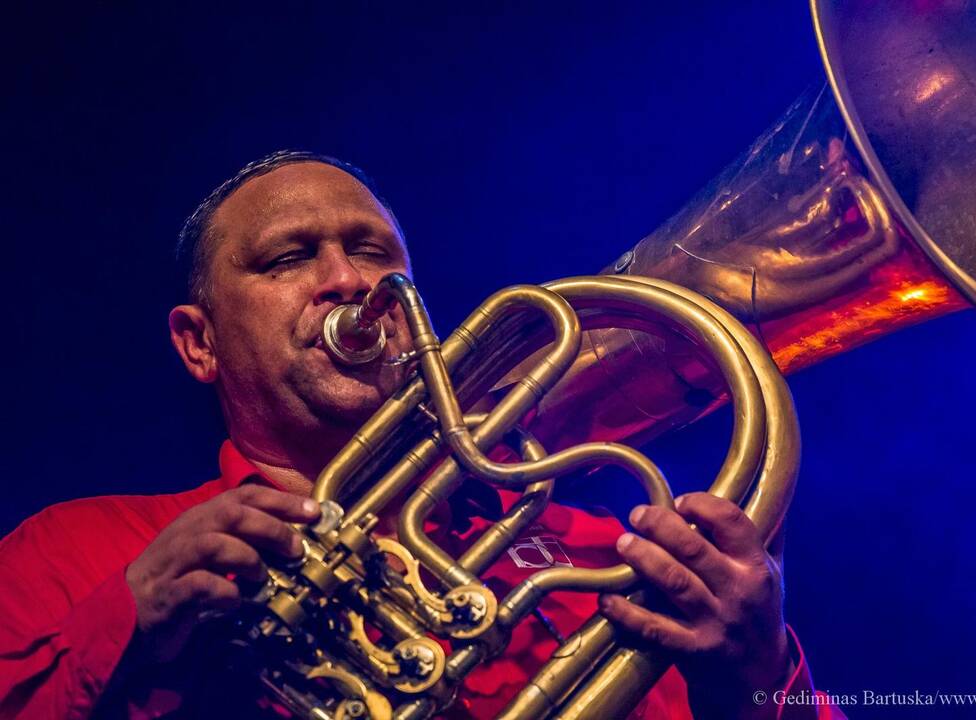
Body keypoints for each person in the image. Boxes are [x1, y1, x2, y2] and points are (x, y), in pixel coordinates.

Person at [0, 151, 845, 720]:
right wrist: (131, 625)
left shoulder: (601, 561)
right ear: (199, 342)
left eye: (373, 253)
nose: (348, 281)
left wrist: (761, 674)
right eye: (289, 258)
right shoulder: (75, 551)